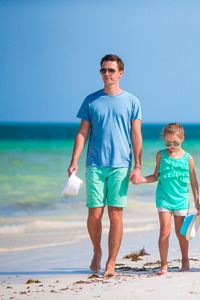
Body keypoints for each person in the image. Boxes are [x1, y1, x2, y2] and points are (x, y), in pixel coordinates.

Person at [67, 54, 143, 277]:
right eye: (103, 70)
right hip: (95, 164)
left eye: (111, 70)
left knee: (116, 214)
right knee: (94, 215)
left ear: (120, 73)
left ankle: (111, 262)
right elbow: (82, 133)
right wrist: (74, 161)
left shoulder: (132, 101)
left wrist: (137, 165)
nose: (106, 74)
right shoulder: (91, 100)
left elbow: (136, 135)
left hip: (121, 164)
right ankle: (97, 250)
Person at [137, 123, 200, 275]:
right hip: (163, 198)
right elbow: (155, 176)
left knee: (181, 233)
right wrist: (141, 180)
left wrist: (197, 201)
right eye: (167, 142)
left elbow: (193, 181)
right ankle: (164, 264)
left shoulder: (188, 158)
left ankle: (185, 260)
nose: (171, 146)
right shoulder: (161, 155)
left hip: (180, 200)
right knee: (164, 231)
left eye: (175, 143)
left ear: (182, 139)